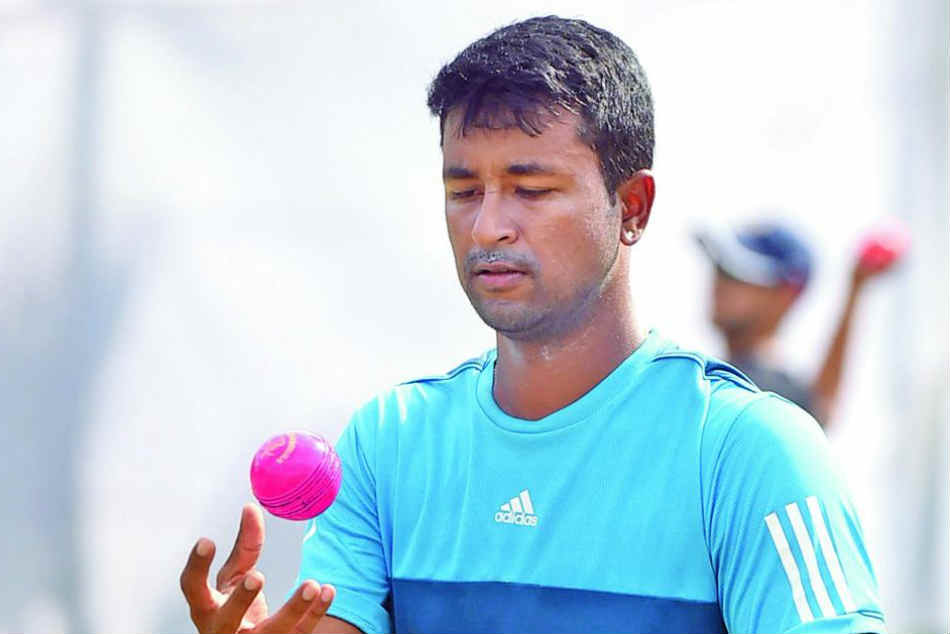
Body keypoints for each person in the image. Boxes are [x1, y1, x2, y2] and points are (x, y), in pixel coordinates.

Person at [180, 16, 885, 633]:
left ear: (633, 207)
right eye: (464, 190)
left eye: (531, 189)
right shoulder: (387, 441)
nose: (488, 226)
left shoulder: (749, 451)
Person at [695, 221, 900, 426]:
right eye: (719, 270)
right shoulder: (762, 389)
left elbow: (818, 407)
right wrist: (855, 287)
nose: (719, 284)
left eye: (737, 274)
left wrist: (855, 288)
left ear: (784, 294)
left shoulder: (760, 393)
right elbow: (820, 403)